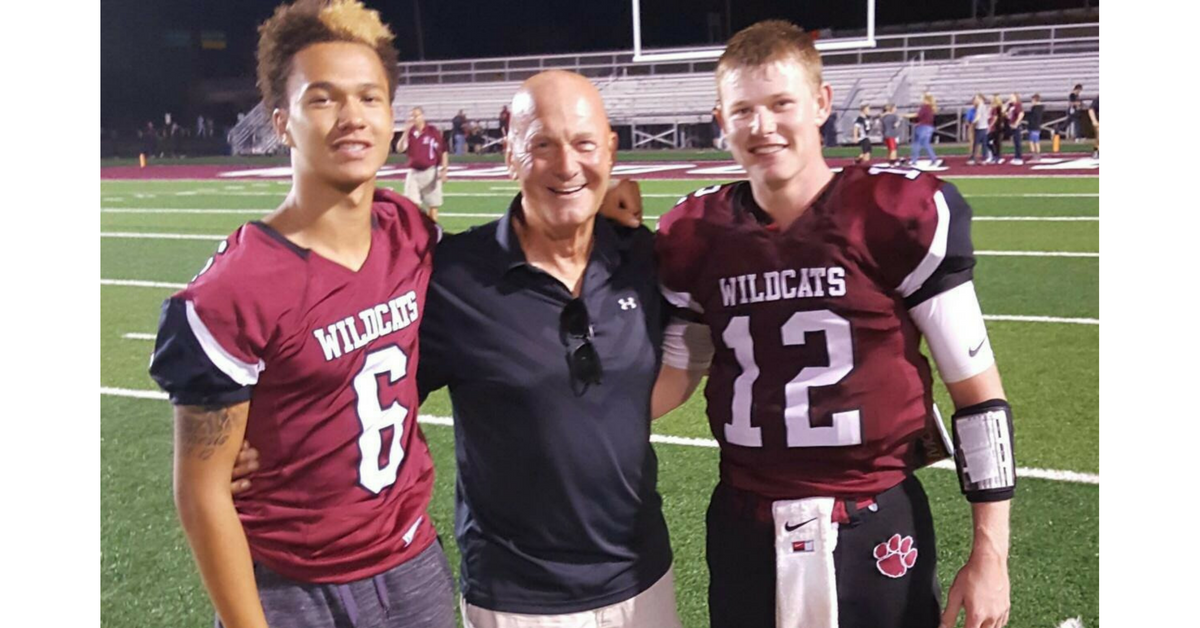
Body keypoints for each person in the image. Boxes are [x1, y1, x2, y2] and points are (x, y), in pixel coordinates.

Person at [652, 20, 1014, 628]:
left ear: (820, 103)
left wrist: (991, 554)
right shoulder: (696, 233)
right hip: (746, 520)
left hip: (872, 516)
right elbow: (675, 375)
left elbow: (978, 397)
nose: (763, 126)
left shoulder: (893, 214)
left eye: (780, 104)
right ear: (722, 119)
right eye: (744, 110)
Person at [148, 2, 456, 627]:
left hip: (411, 561)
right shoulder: (234, 289)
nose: (352, 118)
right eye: (324, 99)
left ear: (391, 117)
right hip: (292, 586)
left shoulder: (409, 230)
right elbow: (204, 488)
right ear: (281, 122)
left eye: (369, 98)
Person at [415, 70, 680, 627]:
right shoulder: (455, 279)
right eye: (542, 145)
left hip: (642, 578)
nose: (566, 165)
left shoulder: (645, 257)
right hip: (517, 598)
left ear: (610, 151)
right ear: (509, 154)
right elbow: (377, 395)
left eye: (584, 143)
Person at [396, 106, 448, 222]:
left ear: (422, 116)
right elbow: (400, 148)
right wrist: (405, 131)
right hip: (414, 172)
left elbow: (443, 150)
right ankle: (418, 229)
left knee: (433, 205)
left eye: (416, 115)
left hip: (431, 171)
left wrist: (444, 169)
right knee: (412, 204)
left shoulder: (432, 131)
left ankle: (433, 232)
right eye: (412, 116)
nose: (413, 118)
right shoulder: (410, 132)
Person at [907, 92, 940, 167]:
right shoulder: (931, 107)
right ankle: (933, 159)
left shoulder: (925, 107)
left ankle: (914, 160)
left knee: (917, 144)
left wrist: (906, 115)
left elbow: (918, 115)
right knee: (925, 144)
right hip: (929, 127)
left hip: (923, 127)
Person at [966, 94, 991, 165]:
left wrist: (973, 122)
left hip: (981, 127)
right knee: (983, 144)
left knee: (976, 143)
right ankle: (984, 158)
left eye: (976, 98)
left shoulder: (981, 106)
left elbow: (978, 117)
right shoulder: (983, 106)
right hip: (983, 127)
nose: (975, 100)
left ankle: (973, 158)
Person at [1007, 92, 1025, 165]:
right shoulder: (1011, 106)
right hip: (1011, 125)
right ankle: (1016, 156)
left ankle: (1019, 158)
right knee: (1015, 142)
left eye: (1012, 97)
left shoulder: (1017, 105)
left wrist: (1016, 123)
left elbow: (1021, 114)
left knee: (1017, 142)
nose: (1010, 98)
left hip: (1016, 125)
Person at [988, 94, 1005, 164]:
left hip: (997, 127)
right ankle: (995, 155)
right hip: (995, 127)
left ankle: (997, 156)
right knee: (991, 142)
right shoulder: (993, 108)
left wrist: (991, 125)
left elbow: (996, 118)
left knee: (997, 142)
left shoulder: (998, 108)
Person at [1027, 94, 1045, 160]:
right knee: (1035, 141)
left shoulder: (1035, 108)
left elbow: (1032, 117)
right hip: (1036, 126)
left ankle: (1035, 154)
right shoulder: (1040, 108)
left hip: (1033, 126)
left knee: (1033, 141)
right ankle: (1037, 154)